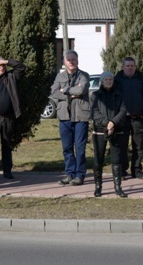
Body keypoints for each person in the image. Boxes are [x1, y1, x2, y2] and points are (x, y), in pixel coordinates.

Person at [51, 50, 90, 186]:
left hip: (80, 117)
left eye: (73, 59)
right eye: (68, 60)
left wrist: (65, 90)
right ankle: (69, 174)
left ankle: (79, 175)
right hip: (64, 117)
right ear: (64, 62)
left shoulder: (84, 75)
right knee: (67, 147)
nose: (71, 62)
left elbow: (81, 90)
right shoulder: (59, 76)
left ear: (77, 61)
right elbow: (54, 92)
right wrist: (70, 94)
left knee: (80, 148)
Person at [114, 57, 143, 180]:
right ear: (123, 67)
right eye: (127, 66)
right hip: (122, 119)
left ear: (135, 67)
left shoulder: (142, 80)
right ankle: (122, 171)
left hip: (138, 119)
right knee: (122, 146)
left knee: (138, 146)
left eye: (132, 66)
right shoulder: (117, 81)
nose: (130, 68)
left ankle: (137, 170)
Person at [90, 72, 129, 197]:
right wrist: (107, 123)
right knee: (98, 159)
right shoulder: (95, 95)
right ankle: (98, 186)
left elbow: (123, 111)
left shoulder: (119, 95)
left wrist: (113, 123)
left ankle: (118, 187)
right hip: (100, 130)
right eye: (106, 79)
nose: (108, 81)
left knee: (116, 159)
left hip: (116, 130)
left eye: (110, 79)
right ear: (101, 81)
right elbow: (94, 113)